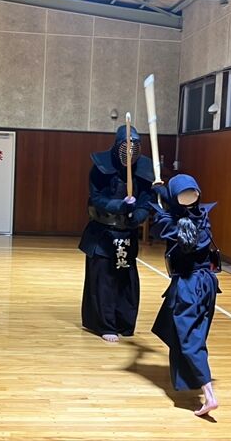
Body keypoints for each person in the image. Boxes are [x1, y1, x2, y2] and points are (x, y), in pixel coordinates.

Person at [149, 174, 221, 416]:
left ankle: (209, 394)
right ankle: (192, 380)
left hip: (189, 286)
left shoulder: (169, 224)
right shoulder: (202, 217)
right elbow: (180, 210)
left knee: (189, 338)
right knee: (174, 326)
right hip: (208, 284)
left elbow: (166, 221)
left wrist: (162, 194)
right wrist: (164, 192)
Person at [79, 125, 153, 342]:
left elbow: (145, 201)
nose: (129, 152)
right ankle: (105, 324)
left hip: (127, 234)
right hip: (103, 234)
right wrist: (120, 206)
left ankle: (124, 323)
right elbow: (97, 198)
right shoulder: (100, 168)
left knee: (126, 281)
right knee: (103, 281)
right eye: (125, 147)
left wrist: (136, 216)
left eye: (133, 148)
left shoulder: (143, 170)